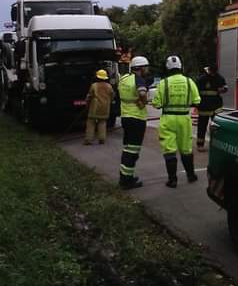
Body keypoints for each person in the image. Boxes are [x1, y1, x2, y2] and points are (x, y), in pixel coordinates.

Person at [152, 55, 201, 188]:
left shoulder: (163, 83)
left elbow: (156, 104)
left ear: (167, 68)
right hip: (184, 119)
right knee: (186, 148)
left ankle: (172, 180)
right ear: (181, 66)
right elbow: (197, 101)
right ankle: (191, 175)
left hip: (168, 118)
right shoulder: (189, 81)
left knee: (169, 150)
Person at [117, 56, 150, 189]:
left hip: (126, 116)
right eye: (146, 67)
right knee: (133, 151)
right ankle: (126, 181)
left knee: (127, 148)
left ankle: (125, 176)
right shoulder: (139, 79)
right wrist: (143, 101)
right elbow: (142, 93)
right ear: (140, 68)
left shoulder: (124, 78)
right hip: (137, 118)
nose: (147, 70)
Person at [195, 64, 227, 152]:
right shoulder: (201, 79)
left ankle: (217, 145)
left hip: (215, 108)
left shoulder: (219, 78)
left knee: (217, 128)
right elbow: (195, 92)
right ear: (209, 70)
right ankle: (200, 145)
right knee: (202, 127)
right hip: (204, 107)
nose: (213, 73)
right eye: (212, 72)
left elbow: (225, 86)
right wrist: (196, 105)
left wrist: (223, 89)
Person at [85, 69, 115, 145]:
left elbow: (89, 96)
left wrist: (87, 103)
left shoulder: (94, 85)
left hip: (94, 108)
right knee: (102, 123)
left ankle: (88, 140)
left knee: (91, 123)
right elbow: (112, 96)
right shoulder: (109, 86)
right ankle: (102, 139)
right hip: (105, 108)